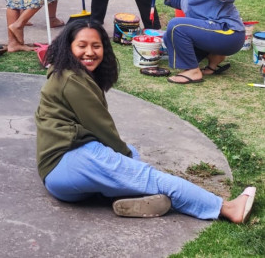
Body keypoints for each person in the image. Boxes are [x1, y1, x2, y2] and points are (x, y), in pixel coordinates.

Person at [35, 19, 256, 222]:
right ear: (69, 47)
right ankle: (227, 208)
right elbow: (103, 129)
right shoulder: (71, 80)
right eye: (82, 45)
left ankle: (132, 195)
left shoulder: (67, 73)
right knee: (144, 172)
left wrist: (126, 160)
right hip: (66, 164)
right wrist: (130, 165)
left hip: (68, 173)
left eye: (96, 46)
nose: (90, 52)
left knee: (130, 154)